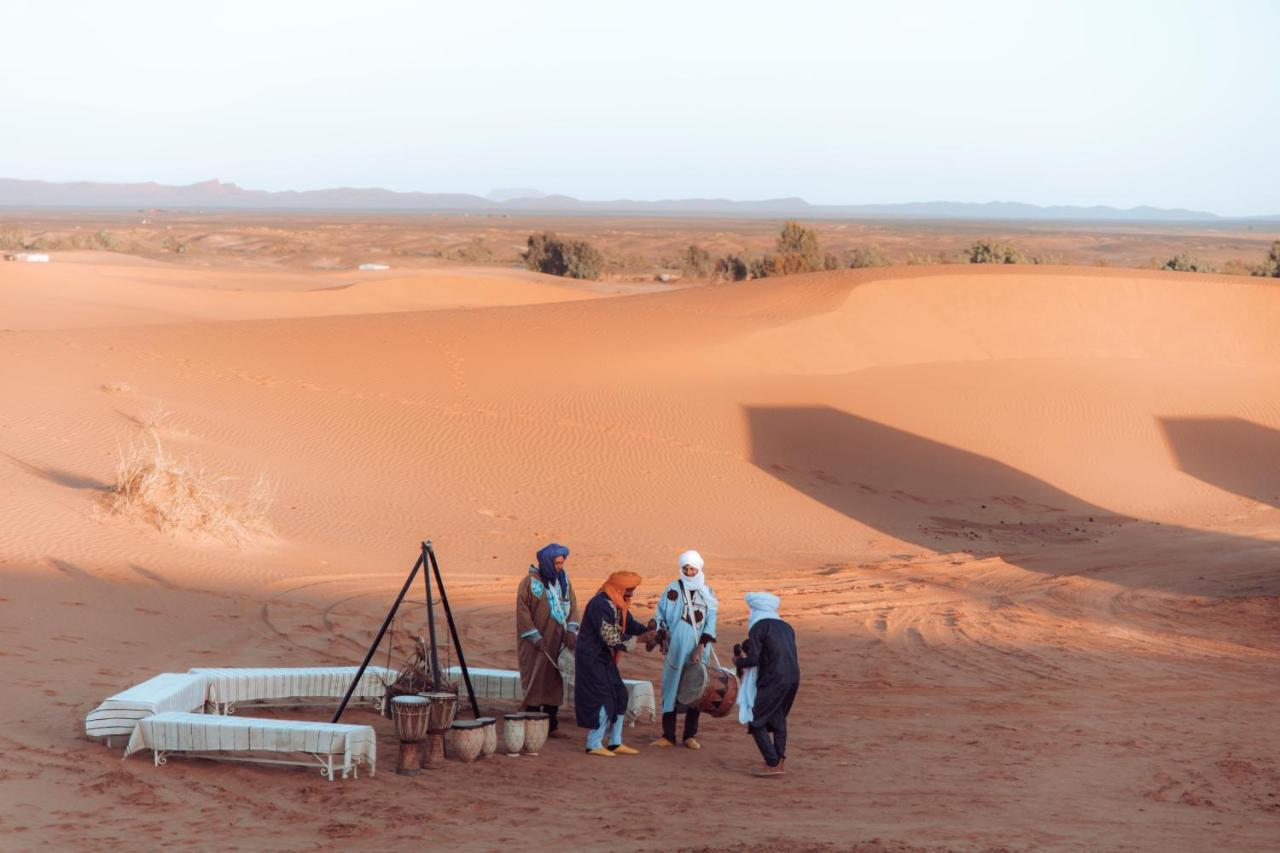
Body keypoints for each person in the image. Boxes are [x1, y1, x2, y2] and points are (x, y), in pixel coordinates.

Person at [573, 570, 654, 756]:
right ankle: (593, 743)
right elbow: (610, 637)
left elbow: (631, 625)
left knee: (620, 694)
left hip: (603, 657)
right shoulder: (600, 604)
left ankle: (614, 742)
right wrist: (640, 639)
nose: (631, 594)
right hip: (591, 657)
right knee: (603, 698)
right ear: (619, 588)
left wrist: (650, 634)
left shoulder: (618, 604)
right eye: (629, 590)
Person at [651, 549, 718, 750]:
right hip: (676, 649)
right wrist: (661, 635)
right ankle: (668, 735)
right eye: (686, 568)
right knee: (671, 687)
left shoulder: (708, 592)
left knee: (696, 689)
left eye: (692, 569)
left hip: (698, 650)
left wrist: (700, 647)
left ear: (699, 569)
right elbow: (660, 615)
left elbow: (710, 623)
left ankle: (690, 735)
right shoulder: (672, 589)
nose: (689, 572)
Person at [515, 543, 580, 738]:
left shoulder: (564, 582)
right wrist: (535, 636)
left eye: (561, 563)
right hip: (535, 644)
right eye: (556, 563)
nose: (560, 567)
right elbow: (522, 613)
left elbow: (574, 607)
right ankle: (532, 725)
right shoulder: (529, 583)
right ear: (546, 562)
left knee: (554, 681)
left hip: (557, 643)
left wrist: (571, 631)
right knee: (535, 679)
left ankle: (552, 726)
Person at [733, 591, 799, 777]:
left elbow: (754, 660)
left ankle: (772, 762)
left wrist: (738, 662)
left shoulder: (758, 627)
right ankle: (780, 760)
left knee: (756, 721)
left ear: (754, 609)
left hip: (773, 678)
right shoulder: (787, 626)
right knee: (778, 717)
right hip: (793, 676)